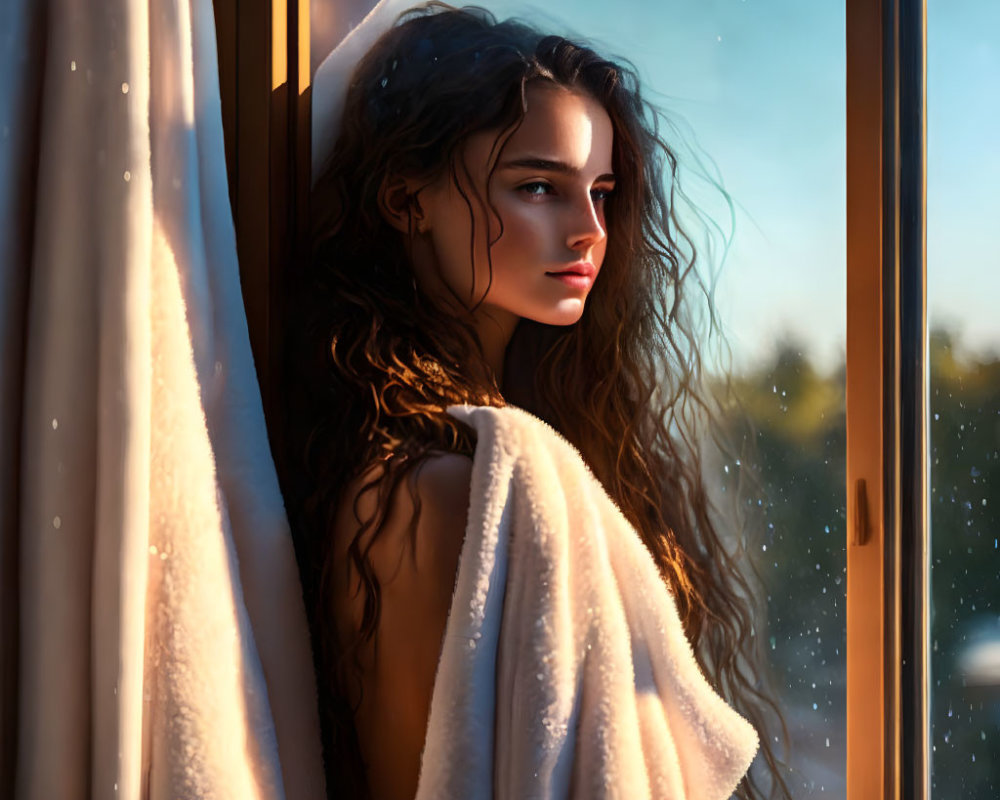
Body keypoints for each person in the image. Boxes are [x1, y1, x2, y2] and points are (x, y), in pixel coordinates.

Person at [287, 3, 791, 799]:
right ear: (405, 200)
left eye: (602, 190)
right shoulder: (440, 491)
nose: (593, 228)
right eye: (538, 187)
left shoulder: (492, 452)